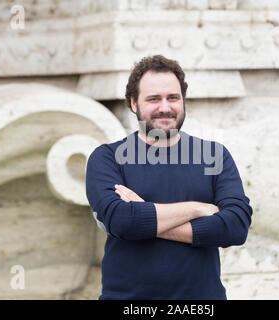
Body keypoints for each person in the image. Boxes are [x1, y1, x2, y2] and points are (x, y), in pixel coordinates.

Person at [85, 55, 252, 300]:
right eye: (153, 99)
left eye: (173, 97)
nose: (165, 107)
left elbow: (236, 227)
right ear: (133, 103)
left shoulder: (213, 155)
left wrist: (143, 214)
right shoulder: (107, 158)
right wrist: (197, 208)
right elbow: (121, 221)